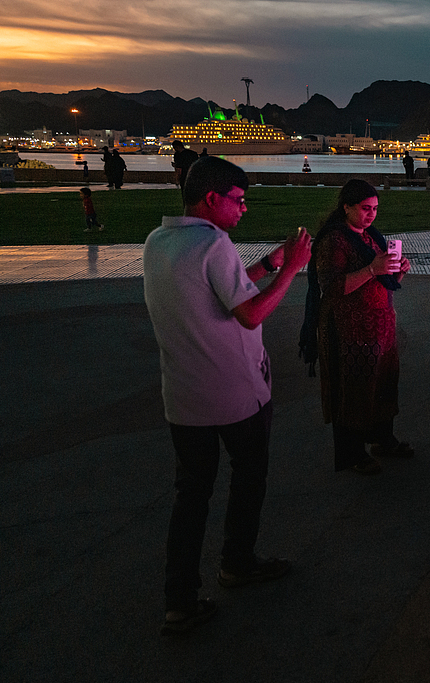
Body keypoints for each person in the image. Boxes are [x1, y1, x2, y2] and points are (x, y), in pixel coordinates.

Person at [142, 156, 312, 636]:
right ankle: (237, 561)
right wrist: (291, 269)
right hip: (235, 393)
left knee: (191, 495)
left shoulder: (158, 241)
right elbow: (251, 313)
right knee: (249, 475)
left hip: (183, 396)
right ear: (212, 198)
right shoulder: (214, 243)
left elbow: (217, 291)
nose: (243, 208)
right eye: (238, 200)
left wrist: (267, 264)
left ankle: (179, 599)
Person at [304, 179, 413, 475]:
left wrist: (397, 271)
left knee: (383, 383)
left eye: (375, 209)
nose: (371, 215)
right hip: (349, 329)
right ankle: (352, 454)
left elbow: (383, 280)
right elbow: (332, 287)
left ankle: (382, 439)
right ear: (346, 207)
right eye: (365, 208)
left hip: (379, 325)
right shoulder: (334, 241)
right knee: (353, 389)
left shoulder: (370, 236)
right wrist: (372, 269)